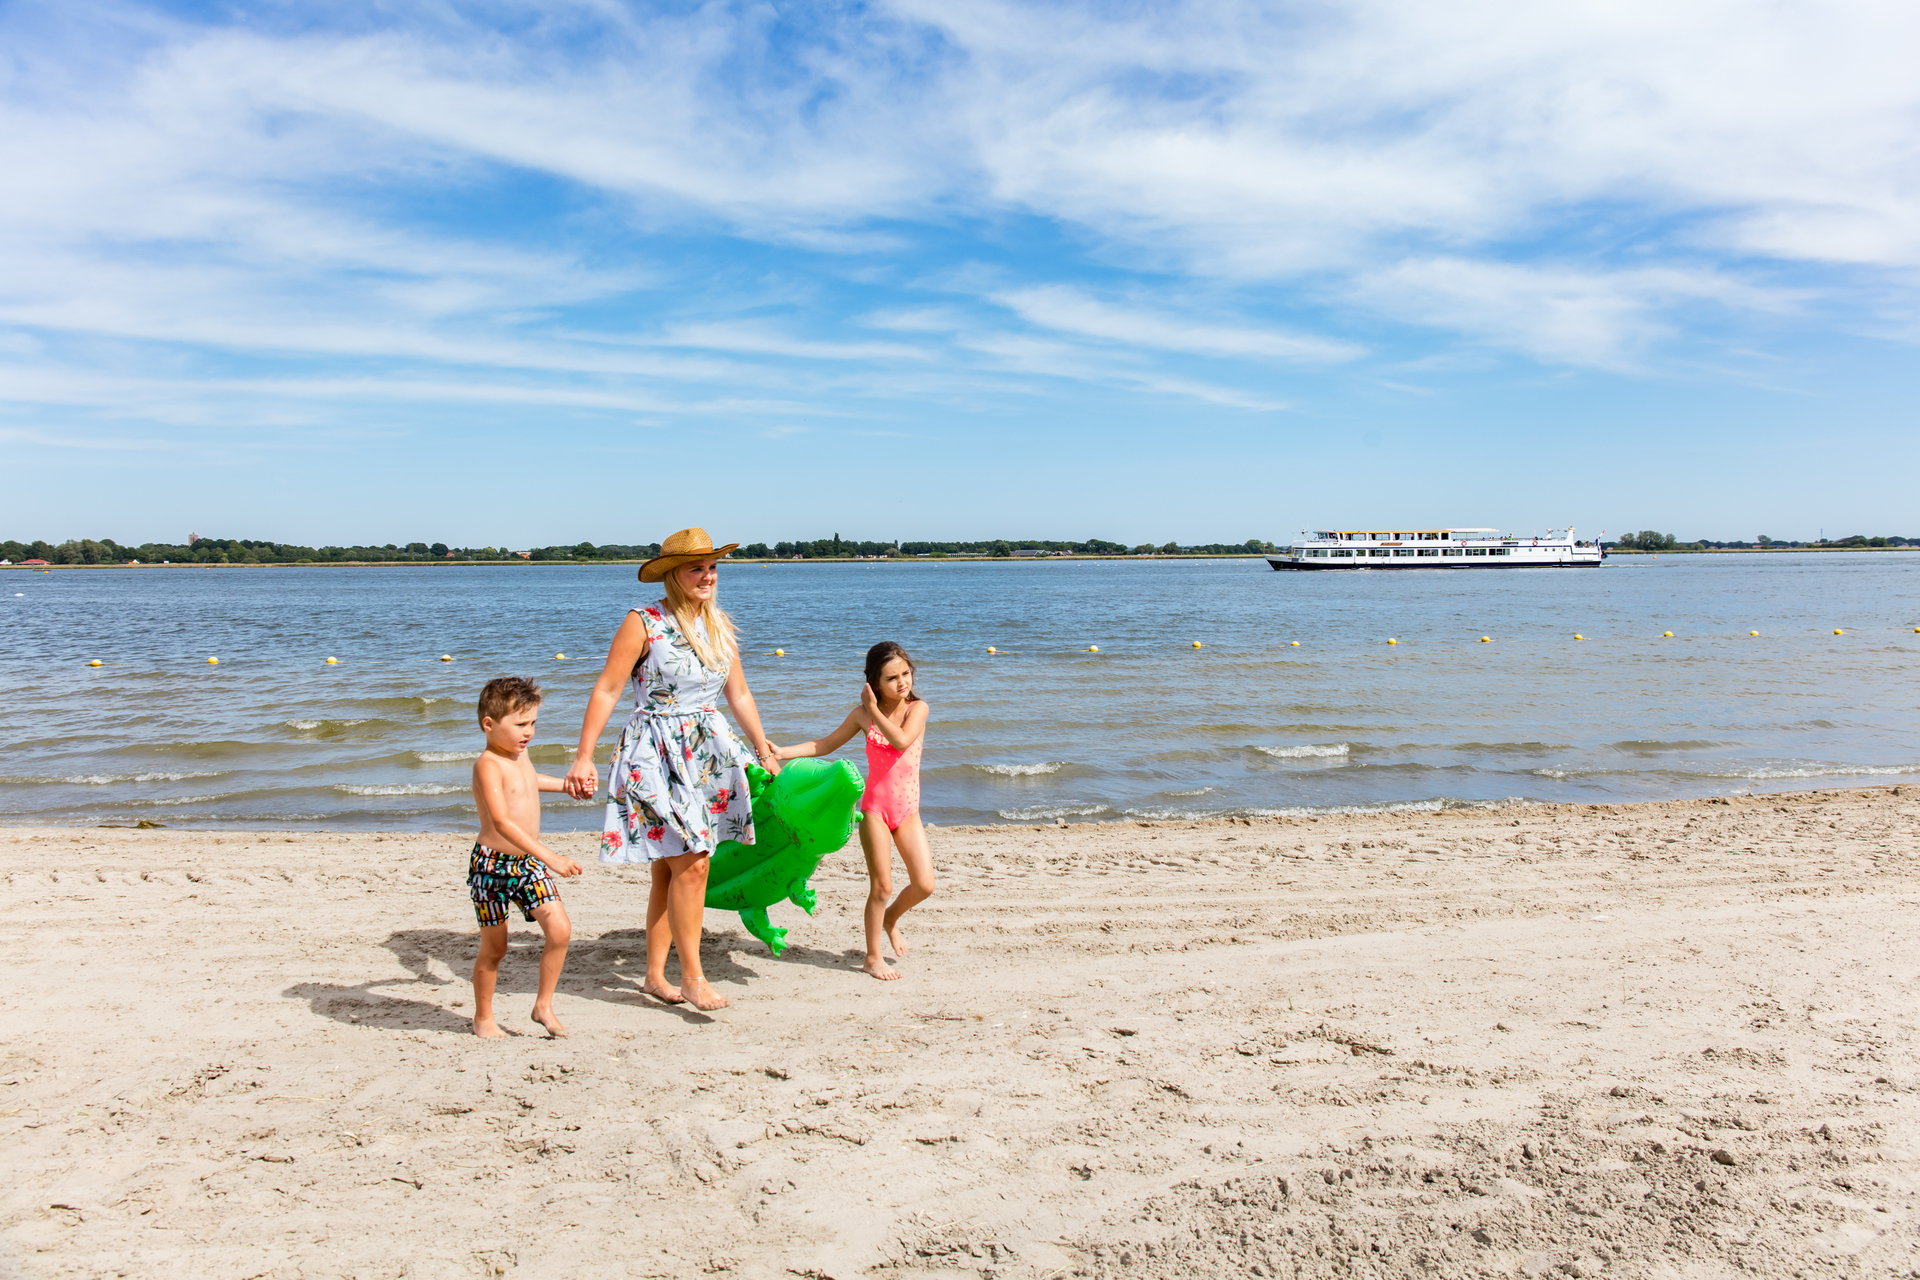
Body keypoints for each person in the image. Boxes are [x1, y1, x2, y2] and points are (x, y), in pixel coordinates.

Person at [564, 528, 781, 1012]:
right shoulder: (643, 622)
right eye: (695, 569)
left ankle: (654, 976)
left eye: (711, 568)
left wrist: (762, 745)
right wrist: (583, 755)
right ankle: (692, 978)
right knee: (694, 861)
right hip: (655, 753)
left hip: (708, 754)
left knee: (671, 869)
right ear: (671, 575)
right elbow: (607, 689)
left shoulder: (718, 623)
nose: (706, 577)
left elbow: (738, 693)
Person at [773, 641, 932, 981]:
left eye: (906, 674)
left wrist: (873, 709)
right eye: (891, 678)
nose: (902, 682)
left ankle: (890, 920)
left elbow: (902, 741)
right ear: (875, 683)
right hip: (875, 809)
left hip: (908, 811)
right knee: (882, 886)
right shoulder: (862, 715)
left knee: (925, 884)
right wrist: (782, 751)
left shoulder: (917, 709)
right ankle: (873, 957)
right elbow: (825, 745)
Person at [468, 676, 582, 1039]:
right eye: (520, 725)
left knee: (560, 930)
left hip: (526, 866)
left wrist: (567, 785)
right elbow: (501, 821)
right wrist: (551, 857)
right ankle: (484, 1017)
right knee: (495, 949)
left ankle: (543, 1005)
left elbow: (529, 780)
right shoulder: (487, 764)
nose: (528, 732)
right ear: (489, 724)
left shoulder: (520, 753)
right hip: (491, 869)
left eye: (532, 723)